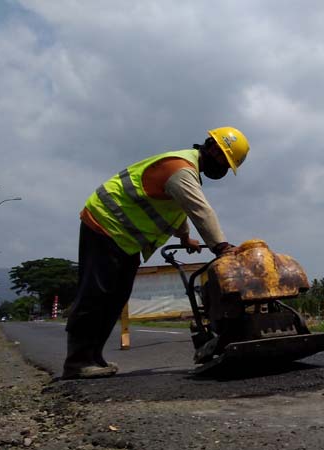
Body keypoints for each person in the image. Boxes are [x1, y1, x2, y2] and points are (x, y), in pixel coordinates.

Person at [62, 126, 250, 380]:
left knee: (116, 297)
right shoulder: (181, 168)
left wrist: (184, 237)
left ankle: (93, 357)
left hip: (124, 237)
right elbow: (200, 209)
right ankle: (77, 361)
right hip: (105, 223)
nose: (223, 169)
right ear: (213, 149)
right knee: (97, 294)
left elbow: (177, 206)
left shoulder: (186, 171)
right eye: (225, 162)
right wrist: (222, 248)